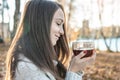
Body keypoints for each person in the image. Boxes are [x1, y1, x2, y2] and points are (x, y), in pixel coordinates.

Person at [5, 0, 96, 80]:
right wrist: (73, 71)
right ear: (40, 23)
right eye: (58, 23)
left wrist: (76, 69)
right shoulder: (28, 68)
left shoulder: (38, 61)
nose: (62, 32)